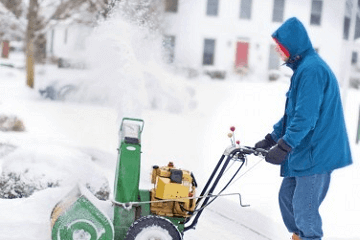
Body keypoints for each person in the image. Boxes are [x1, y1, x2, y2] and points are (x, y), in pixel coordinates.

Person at [255, 17, 352, 240]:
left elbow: (306, 117)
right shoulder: (304, 69)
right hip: (308, 148)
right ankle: (301, 236)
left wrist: (285, 145)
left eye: (280, 48)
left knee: (304, 209)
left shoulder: (311, 71)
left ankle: (309, 237)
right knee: (287, 198)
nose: (278, 52)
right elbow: (293, 114)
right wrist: (272, 138)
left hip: (318, 150)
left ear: (292, 46)